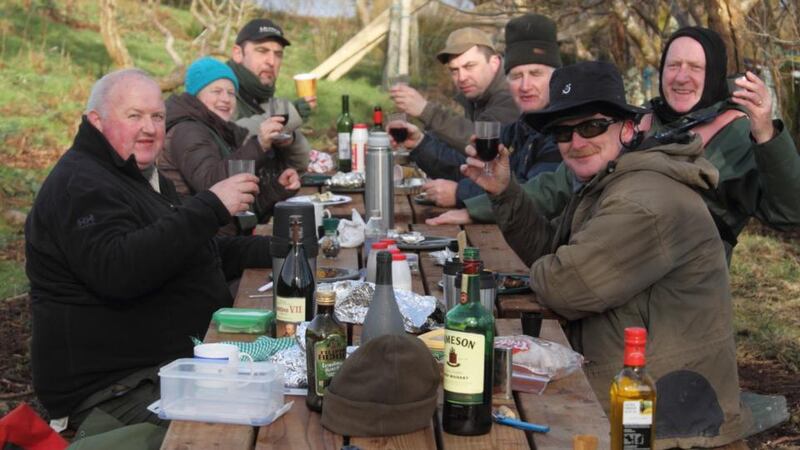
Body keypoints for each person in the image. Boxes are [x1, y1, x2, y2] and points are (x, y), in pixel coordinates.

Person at [463, 61, 751, 448]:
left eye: (592, 126)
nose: (577, 142)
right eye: (563, 132)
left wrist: (551, 270)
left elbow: (565, 285)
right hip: (624, 390)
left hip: (666, 422)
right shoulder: (610, 181)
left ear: (629, 128)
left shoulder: (644, 201)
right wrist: (505, 192)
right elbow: (555, 255)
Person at [25, 68, 273, 430]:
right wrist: (210, 207)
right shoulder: (80, 184)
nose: (150, 128)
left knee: (280, 389)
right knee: (247, 423)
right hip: (113, 391)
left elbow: (198, 247)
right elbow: (119, 270)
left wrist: (280, 248)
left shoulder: (135, 176)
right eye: (134, 116)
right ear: (96, 121)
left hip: (170, 365)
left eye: (157, 116)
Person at [429, 27, 800, 261]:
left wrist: (767, 134)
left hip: (676, 278)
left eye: (695, 68)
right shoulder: (639, 122)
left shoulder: (736, 131)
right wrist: (476, 205)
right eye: (673, 66)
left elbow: (788, 213)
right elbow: (558, 184)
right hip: (606, 259)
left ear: (715, 73)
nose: (681, 77)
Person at [390, 14, 562, 208]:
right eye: (516, 76)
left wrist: (461, 196)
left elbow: (537, 194)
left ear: (495, 63)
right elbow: (475, 167)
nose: (525, 86)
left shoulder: (562, 128)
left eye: (536, 74)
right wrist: (420, 144)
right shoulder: (521, 124)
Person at [159, 56, 300, 234]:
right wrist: (259, 144)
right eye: (216, 91)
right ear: (196, 94)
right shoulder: (188, 131)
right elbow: (212, 185)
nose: (226, 99)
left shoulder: (220, 131)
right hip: (201, 242)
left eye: (231, 93)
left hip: (223, 237)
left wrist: (277, 188)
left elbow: (241, 209)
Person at [389, 27, 519, 150]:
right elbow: (458, 161)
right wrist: (419, 143)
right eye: (454, 70)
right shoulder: (477, 96)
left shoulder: (513, 95)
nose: (461, 77)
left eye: (469, 66)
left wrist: (426, 111)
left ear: (494, 63)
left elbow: (483, 142)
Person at [227, 18, 312, 171]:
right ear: (238, 53)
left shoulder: (266, 98)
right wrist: (290, 115)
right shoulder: (221, 91)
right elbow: (227, 136)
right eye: (262, 51)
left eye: (278, 54)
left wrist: (291, 140)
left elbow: (299, 166)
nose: (272, 62)